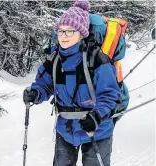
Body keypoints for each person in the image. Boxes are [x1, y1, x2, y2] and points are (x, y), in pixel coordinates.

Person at [23, 0, 126, 165]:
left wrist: (97, 116)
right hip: (65, 128)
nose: (64, 36)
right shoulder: (55, 59)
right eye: (61, 31)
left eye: (70, 31)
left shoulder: (97, 60)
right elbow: (45, 84)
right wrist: (35, 93)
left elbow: (110, 94)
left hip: (96, 129)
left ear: (81, 33)